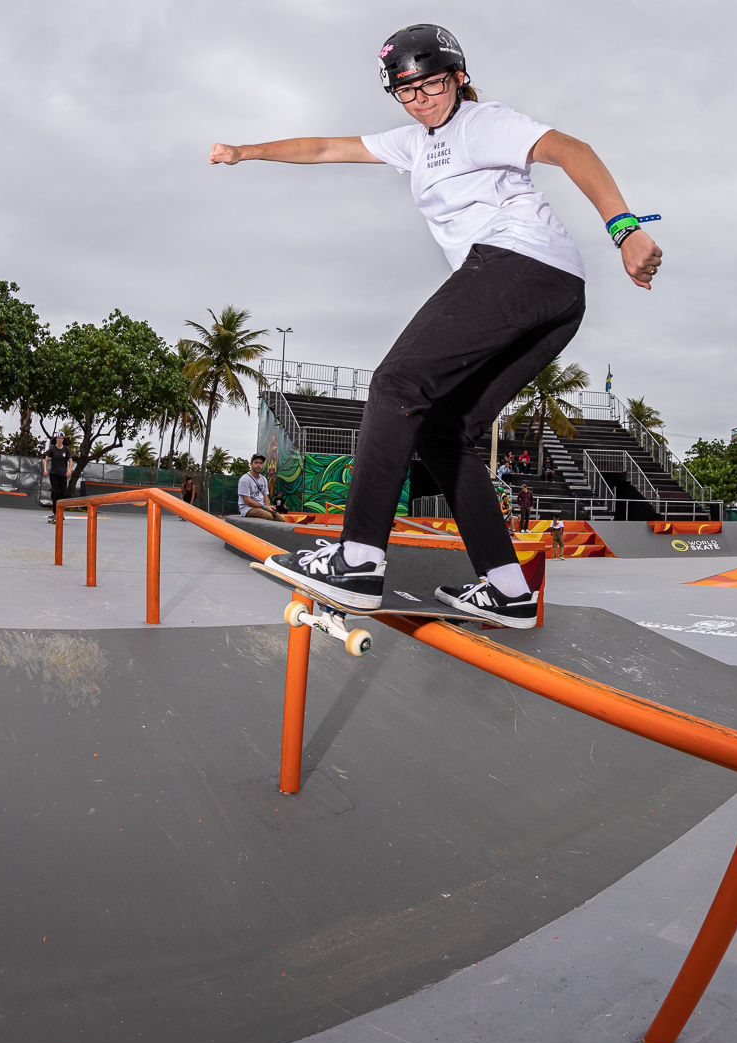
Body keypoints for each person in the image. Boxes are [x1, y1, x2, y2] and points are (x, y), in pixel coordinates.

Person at [212, 23, 660, 628]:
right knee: (447, 436)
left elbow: (569, 150)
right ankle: (508, 589)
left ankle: (360, 559)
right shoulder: (412, 142)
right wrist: (247, 151)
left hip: (518, 265)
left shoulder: (483, 122)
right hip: (554, 298)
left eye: (432, 85)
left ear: (458, 77)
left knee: (397, 384)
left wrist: (624, 228)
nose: (421, 100)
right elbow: (324, 148)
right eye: (407, 91)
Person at [237, 454, 285, 521]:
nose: (258, 465)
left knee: (281, 519)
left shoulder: (263, 479)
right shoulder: (245, 479)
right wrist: (264, 507)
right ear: (251, 464)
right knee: (268, 516)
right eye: (256, 463)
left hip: (262, 507)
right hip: (248, 508)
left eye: (260, 463)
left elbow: (266, 498)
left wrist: (269, 506)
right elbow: (247, 501)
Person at [43, 434, 72, 524]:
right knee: (56, 493)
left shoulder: (66, 449)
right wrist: (45, 469)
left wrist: (69, 470)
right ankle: (55, 513)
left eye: (62, 438)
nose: (60, 440)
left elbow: (70, 460)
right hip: (54, 474)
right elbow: (46, 459)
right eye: (59, 438)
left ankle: (61, 513)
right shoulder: (52, 449)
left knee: (63, 494)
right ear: (56, 439)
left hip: (63, 474)